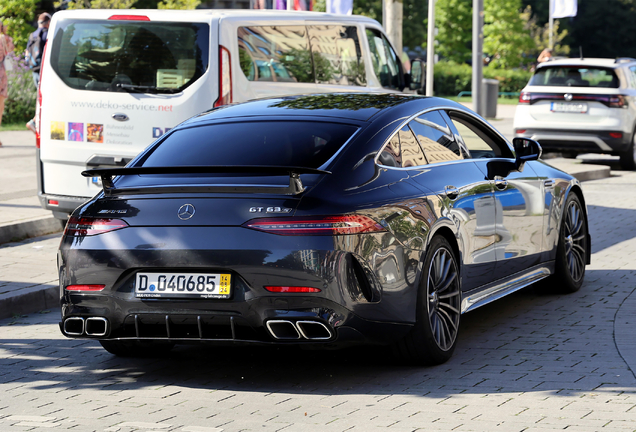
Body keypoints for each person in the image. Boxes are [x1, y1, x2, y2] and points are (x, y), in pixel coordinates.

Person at [25, 13, 50, 134]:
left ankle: (38, 122)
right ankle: (35, 122)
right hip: (44, 70)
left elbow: (27, 54)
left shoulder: (32, 35)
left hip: (34, 70)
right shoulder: (47, 35)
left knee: (40, 97)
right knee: (45, 98)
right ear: (48, 23)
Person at [0, 21, 15, 147]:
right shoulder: (5, 39)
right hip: (1, 75)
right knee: (0, 107)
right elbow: (11, 48)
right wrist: (4, 33)